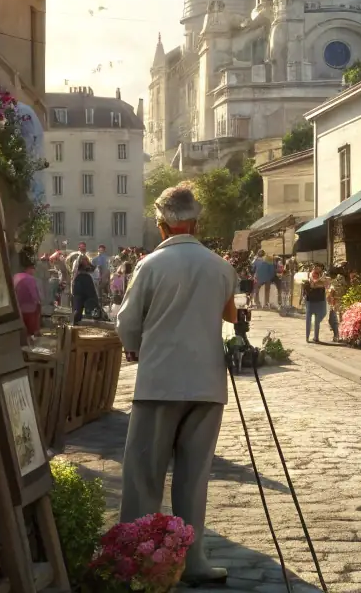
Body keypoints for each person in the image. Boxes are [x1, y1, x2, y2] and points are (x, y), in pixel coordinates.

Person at [116, 184, 237, 585]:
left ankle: (137, 558)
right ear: (196, 221)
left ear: (161, 223)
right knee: (194, 475)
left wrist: (134, 349)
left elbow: (128, 322)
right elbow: (229, 316)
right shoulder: (221, 267)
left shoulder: (150, 265)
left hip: (159, 382)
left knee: (144, 475)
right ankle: (192, 559)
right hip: (206, 384)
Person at [13, 247, 41, 337]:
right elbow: (35, 297)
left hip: (19, 308)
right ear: (30, 268)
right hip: (30, 309)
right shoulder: (30, 279)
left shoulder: (16, 276)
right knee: (31, 330)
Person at [300, 264, 328, 343]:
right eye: (314, 273)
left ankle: (316, 337)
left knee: (316, 322)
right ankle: (307, 337)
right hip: (310, 302)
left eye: (316, 274)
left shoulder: (322, 280)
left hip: (318, 303)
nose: (315, 275)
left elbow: (326, 285)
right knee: (308, 321)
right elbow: (308, 288)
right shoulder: (308, 280)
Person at [71, 256, 101, 324]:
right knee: (78, 307)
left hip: (82, 282)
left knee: (80, 306)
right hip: (82, 282)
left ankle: (75, 321)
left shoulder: (83, 266)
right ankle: (75, 321)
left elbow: (92, 269)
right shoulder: (77, 264)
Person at [327, 264, 348, 341]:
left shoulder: (334, 282)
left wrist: (330, 300)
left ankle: (337, 336)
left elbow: (331, 293)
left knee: (334, 320)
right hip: (343, 302)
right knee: (341, 319)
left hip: (335, 303)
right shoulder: (345, 282)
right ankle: (341, 336)